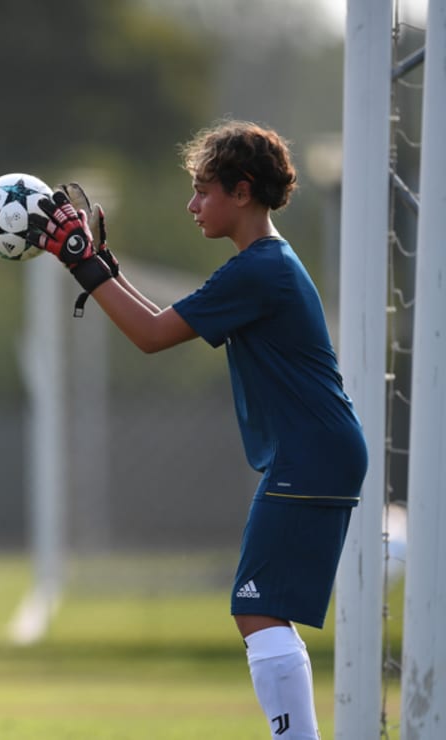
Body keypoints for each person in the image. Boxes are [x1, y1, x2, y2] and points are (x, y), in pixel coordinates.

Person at [25, 120, 366, 740]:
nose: (191, 205)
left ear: (241, 191)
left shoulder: (259, 269)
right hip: (320, 450)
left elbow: (151, 336)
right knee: (261, 610)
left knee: (256, 608)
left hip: (311, 452)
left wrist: (79, 260)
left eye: (202, 190)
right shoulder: (265, 263)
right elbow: (157, 320)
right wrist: (96, 262)